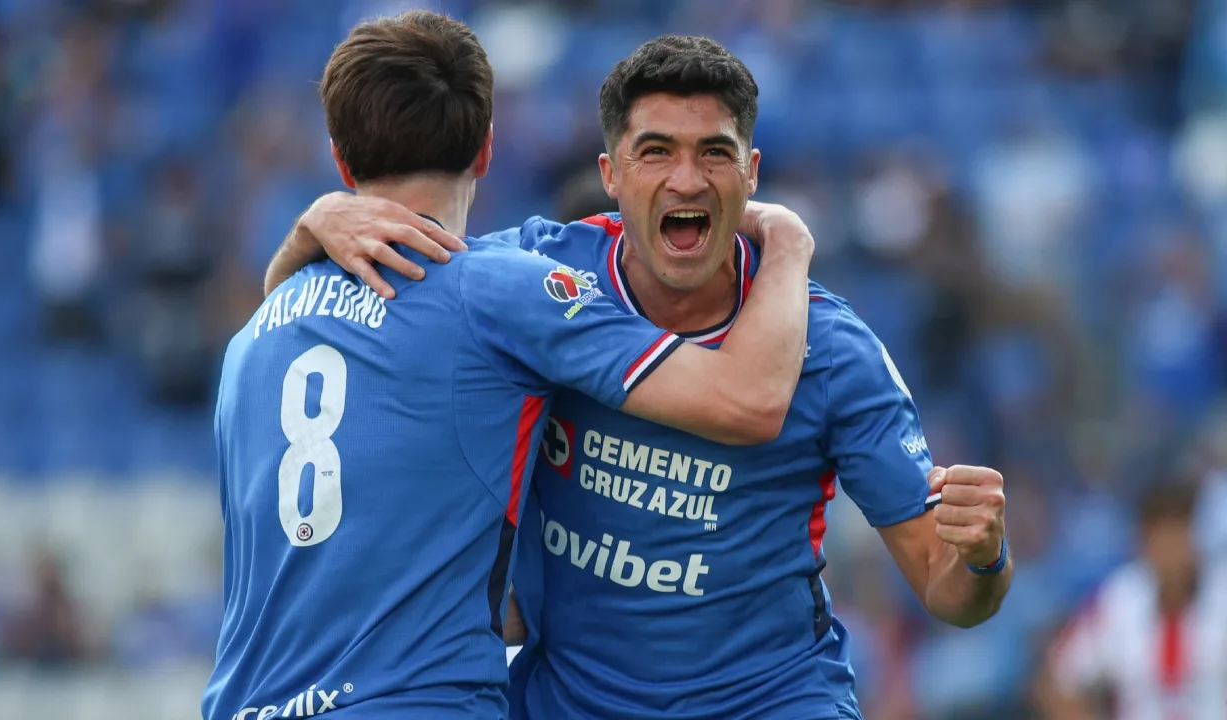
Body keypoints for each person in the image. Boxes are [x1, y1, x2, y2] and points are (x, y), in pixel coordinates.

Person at [266, 34, 1012, 720]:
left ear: (750, 175)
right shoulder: (532, 284)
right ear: (611, 175)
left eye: (714, 153)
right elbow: (312, 336)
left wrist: (983, 556)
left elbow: (949, 591)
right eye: (656, 151)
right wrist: (316, 226)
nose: (686, 179)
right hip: (568, 701)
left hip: (770, 700)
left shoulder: (832, 350)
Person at [204, 14, 817, 720]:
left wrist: (308, 226)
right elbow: (750, 400)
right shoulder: (495, 291)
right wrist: (789, 241)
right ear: (488, 147)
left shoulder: (253, 339)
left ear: (342, 163)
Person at [1037, 481, 1227, 720]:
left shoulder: (1221, 595)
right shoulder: (1117, 600)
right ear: (1143, 544)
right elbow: (1056, 682)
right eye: (1160, 540)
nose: (1171, 553)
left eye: (1178, 537)